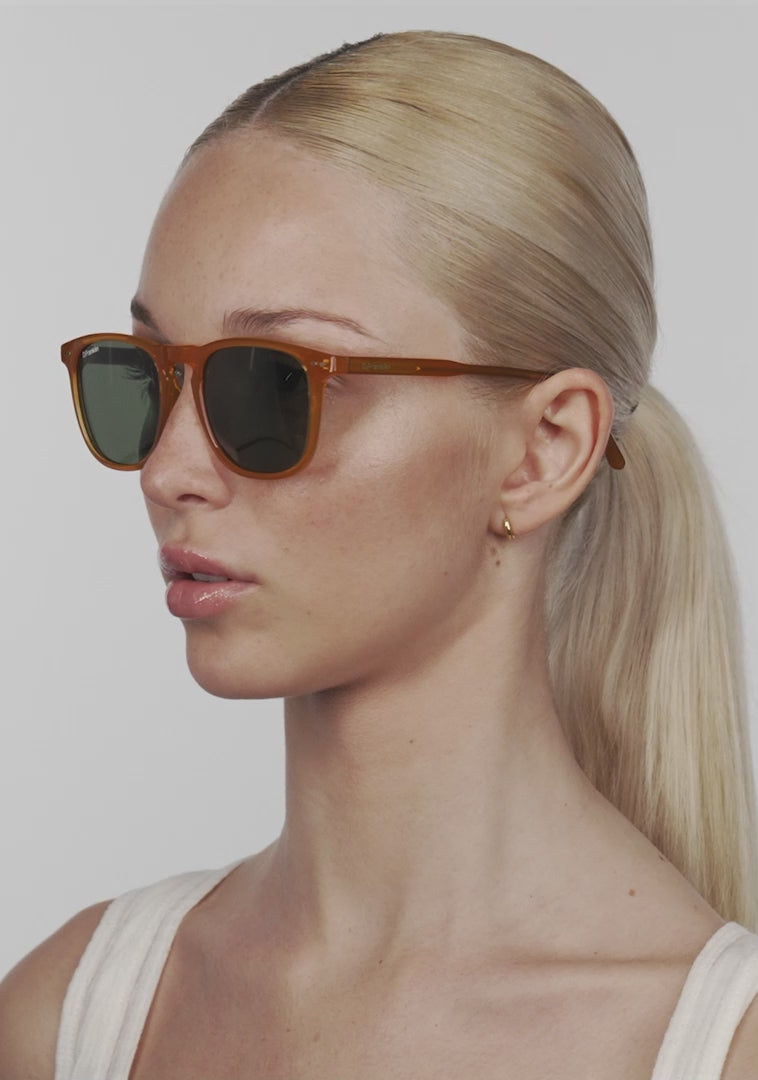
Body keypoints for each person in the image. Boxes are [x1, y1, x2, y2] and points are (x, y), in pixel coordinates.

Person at [1, 28, 757, 1080]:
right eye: (147, 375)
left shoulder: (715, 1047)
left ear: (544, 450)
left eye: (272, 386)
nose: (168, 469)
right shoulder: (71, 1017)